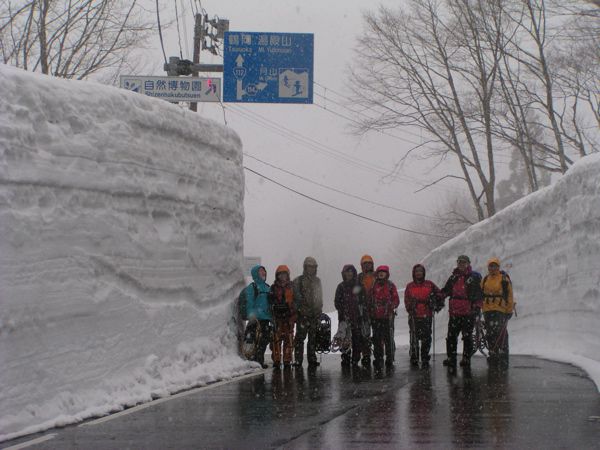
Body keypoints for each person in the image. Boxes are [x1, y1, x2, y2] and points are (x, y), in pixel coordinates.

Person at [441, 255, 483, 368]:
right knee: (451, 337)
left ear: (468, 264)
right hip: (455, 312)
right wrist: (438, 297)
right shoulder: (453, 277)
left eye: (464, 262)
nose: (461, 264)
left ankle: (466, 358)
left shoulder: (473, 277)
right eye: (460, 262)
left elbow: (479, 294)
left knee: (467, 337)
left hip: (468, 312)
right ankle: (451, 358)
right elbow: (446, 291)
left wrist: (477, 307)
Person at [404, 264, 444, 367]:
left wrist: (435, 303)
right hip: (414, 314)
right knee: (414, 337)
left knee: (426, 337)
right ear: (414, 273)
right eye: (417, 271)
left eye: (420, 271)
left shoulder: (429, 284)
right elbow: (406, 299)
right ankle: (414, 356)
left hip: (427, 314)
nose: (418, 273)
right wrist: (409, 308)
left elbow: (439, 294)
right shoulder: (410, 286)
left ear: (423, 273)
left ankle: (425, 356)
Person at [334, 264, 371, 367]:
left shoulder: (359, 286)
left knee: (357, 339)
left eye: (351, 271)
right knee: (345, 339)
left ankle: (355, 359)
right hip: (344, 318)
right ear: (344, 274)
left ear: (354, 273)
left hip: (358, 318)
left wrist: (361, 311)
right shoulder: (340, 287)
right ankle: (345, 357)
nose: (349, 273)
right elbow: (337, 302)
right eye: (347, 271)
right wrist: (343, 310)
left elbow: (364, 300)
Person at [481, 257, 515, 366]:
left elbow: (509, 295)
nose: (492, 268)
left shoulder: (503, 279)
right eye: (490, 266)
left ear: (498, 267)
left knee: (501, 332)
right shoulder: (485, 279)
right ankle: (493, 354)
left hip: (500, 309)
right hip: (487, 310)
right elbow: (480, 293)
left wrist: (509, 310)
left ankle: (503, 355)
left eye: (494, 265)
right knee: (490, 332)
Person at [293, 257, 323, 368]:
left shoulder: (317, 281)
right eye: (309, 266)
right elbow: (295, 298)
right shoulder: (298, 281)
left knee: (313, 338)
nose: (311, 269)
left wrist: (319, 310)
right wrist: (300, 310)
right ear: (305, 267)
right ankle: (298, 360)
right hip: (303, 315)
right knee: (300, 339)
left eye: (313, 267)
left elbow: (320, 297)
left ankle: (312, 359)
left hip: (314, 315)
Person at [369, 265, 400, 369]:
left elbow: (396, 299)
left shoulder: (391, 285)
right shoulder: (374, 285)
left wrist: (391, 305)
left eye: (384, 272)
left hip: (387, 317)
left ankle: (389, 358)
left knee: (388, 338)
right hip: (376, 317)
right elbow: (370, 298)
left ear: (387, 274)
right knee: (377, 339)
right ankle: (378, 358)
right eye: (380, 272)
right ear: (377, 274)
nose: (381, 274)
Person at [245, 265, 273, 368]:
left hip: (266, 319)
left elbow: (271, 304)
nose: (263, 273)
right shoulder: (252, 287)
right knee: (253, 340)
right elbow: (249, 303)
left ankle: (259, 360)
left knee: (263, 341)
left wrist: (272, 318)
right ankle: (252, 359)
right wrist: (251, 315)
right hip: (255, 319)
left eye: (264, 271)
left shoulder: (268, 287)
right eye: (261, 272)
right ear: (256, 274)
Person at [269, 265, 296, 369]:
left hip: (289, 318)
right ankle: (276, 359)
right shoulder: (273, 287)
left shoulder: (292, 287)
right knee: (276, 340)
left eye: (284, 274)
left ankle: (287, 360)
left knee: (289, 340)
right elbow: (270, 300)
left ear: (287, 275)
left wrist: (291, 310)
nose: (283, 277)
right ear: (277, 276)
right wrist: (275, 304)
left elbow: (296, 300)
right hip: (278, 318)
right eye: (280, 274)